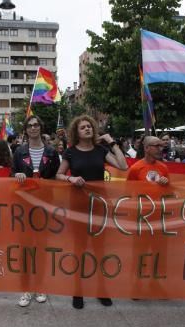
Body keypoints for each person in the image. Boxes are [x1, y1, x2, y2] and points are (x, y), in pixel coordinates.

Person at [56, 114, 127, 309]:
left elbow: (123, 165)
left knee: (99, 250)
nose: (87, 129)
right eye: (82, 127)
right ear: (76, 132)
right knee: (79, 250)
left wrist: (112, 143)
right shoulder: (70, 153)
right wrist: (70, 179)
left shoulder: (100, 150)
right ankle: (77, 291)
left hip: (99, 206)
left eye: (89, 126)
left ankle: (101, 289)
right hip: (78, 207)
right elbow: (59, 174)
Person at [12, 115, 60, 307]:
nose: (33, 128)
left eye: (36, 125)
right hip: (24, 208)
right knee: (24, 249)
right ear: (26, 129)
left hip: (44, 207)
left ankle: (40, 286)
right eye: (30, 126)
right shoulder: (19, 151)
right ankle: (25, 289)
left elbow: (56, 177)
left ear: (41, 128)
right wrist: (17, 174)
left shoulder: (51, 151)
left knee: (41, 249)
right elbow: (11, 174)